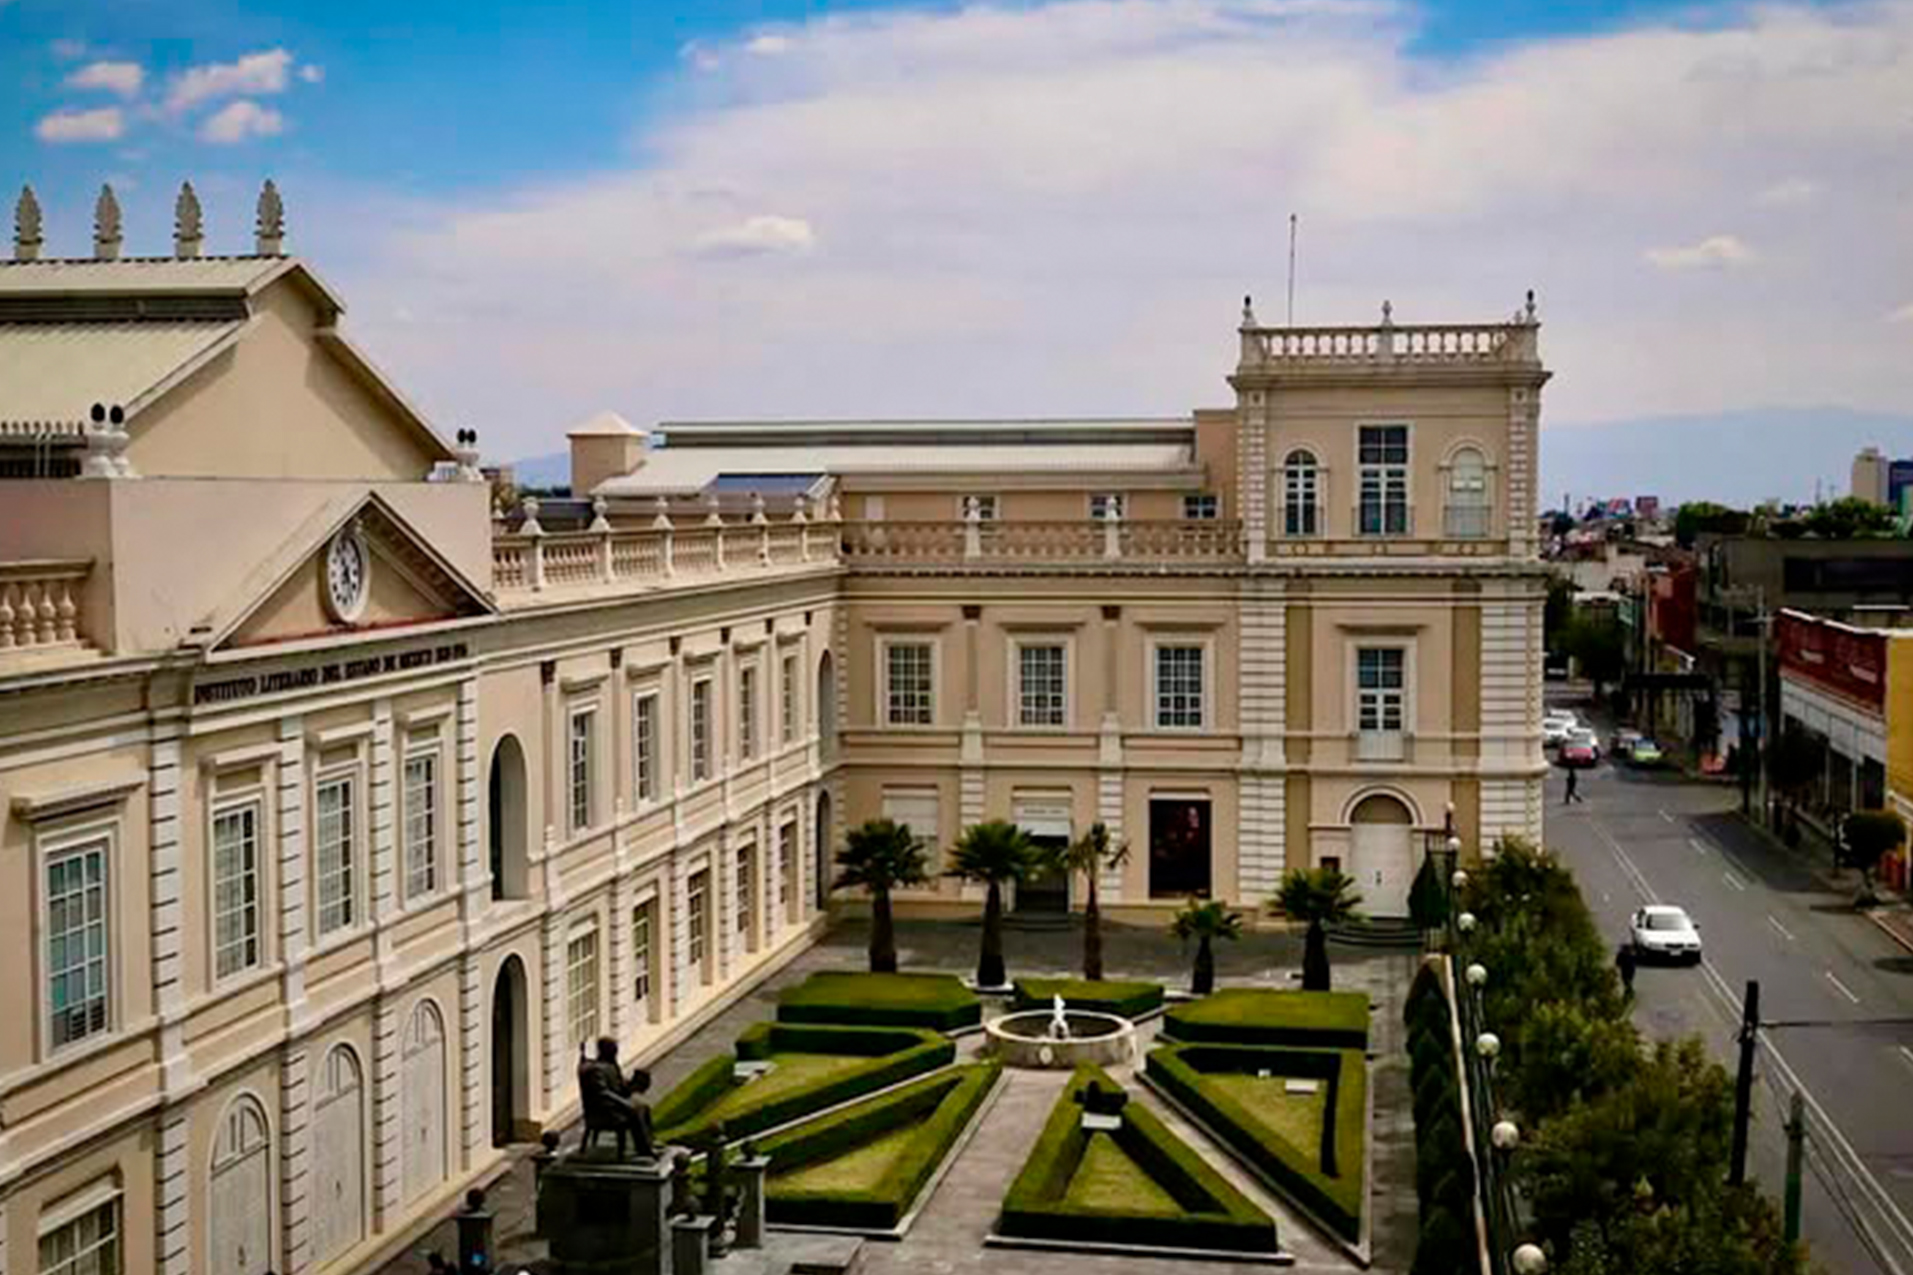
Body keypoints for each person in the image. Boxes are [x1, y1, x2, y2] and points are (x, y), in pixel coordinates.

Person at [577, 1037, 657, 1159]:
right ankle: (644, 1149)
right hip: (603, 1110)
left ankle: (649, 1142)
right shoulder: (596, 1070)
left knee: (644, 1108)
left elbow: (622, 1087)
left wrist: (636, 1083)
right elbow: (603, 1093)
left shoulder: (611, 1066)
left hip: (613, 1105)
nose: (616, 1052)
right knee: (635, 1111)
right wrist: (624, 1103)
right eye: (613, 1049)